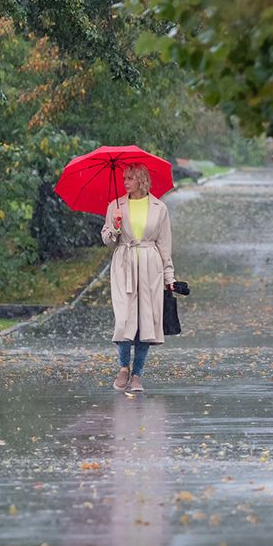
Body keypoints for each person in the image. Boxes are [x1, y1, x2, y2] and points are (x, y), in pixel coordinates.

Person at [101, 163, 174, 393]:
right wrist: (115, 226)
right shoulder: (116, 205)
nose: (125, 182)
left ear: (142, 179)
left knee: (146, 321)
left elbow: (164, 245)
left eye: (130, 178)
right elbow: (107, 240)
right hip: (124, 265)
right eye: (124, 178)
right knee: (124, 319)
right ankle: (123, 368)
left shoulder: (159, 208)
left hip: (151, 267)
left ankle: (137, 375)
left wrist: (169, 277)